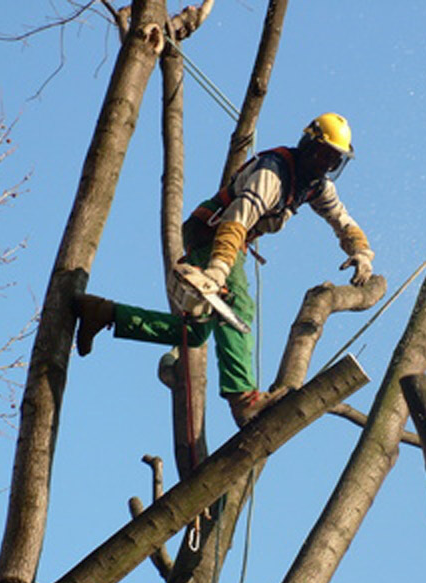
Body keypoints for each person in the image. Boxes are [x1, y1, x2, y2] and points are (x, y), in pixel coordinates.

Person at [74, 112, 375, 426]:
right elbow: (236, 221)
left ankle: (104, 313)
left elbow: (343, 221)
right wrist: (218, 272)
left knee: (193, 332)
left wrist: (361, 253)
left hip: (223, 239)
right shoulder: (272, 173)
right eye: (323, 155)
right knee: (237, 305)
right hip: (214, 234)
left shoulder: (315, 187)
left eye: (333, 160)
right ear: (308, 145)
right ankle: (244, 400)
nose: (325, 165)